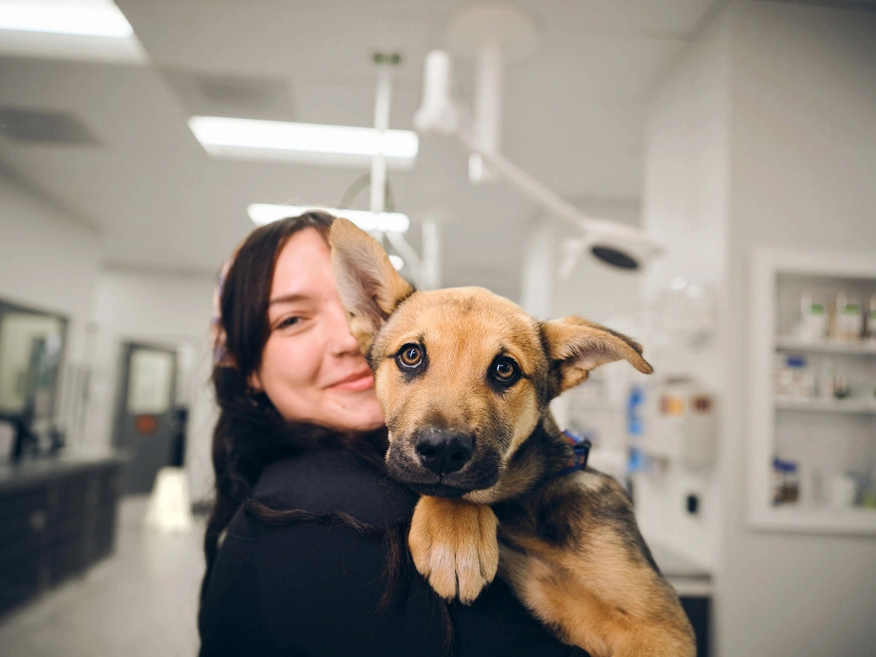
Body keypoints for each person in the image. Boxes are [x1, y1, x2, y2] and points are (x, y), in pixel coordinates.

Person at [197, 211, 585, 657]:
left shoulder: (302, 484)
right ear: (245, 366)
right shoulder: (329, 517)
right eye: (292, 320)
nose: (353, 338)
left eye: (353, 305)